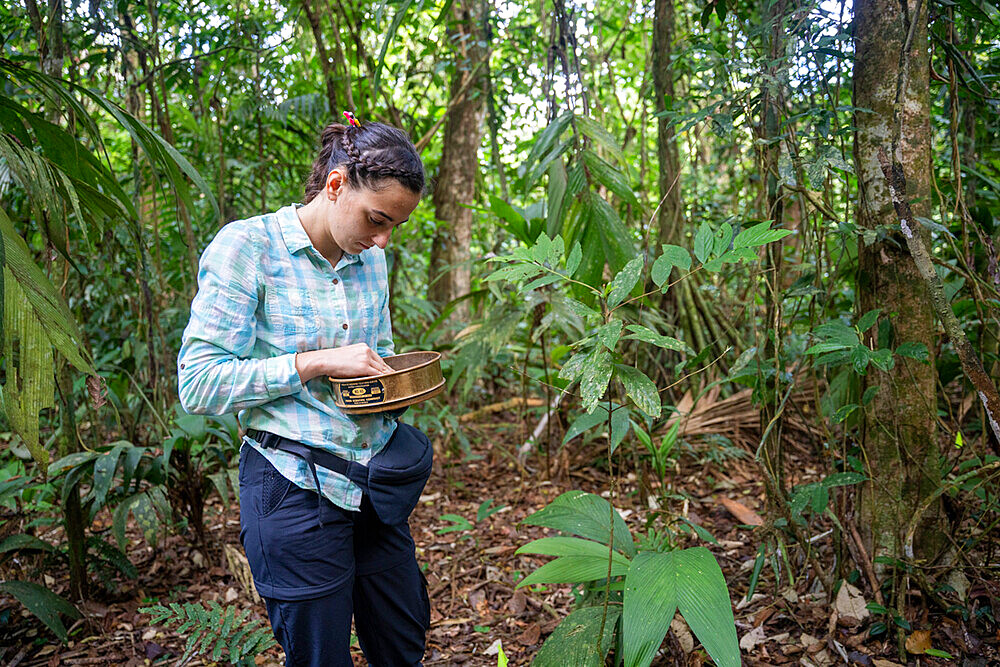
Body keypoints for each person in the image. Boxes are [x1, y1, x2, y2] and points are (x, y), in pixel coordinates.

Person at [177, 113, 429, 666]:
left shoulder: (372, 260)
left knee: (403, 643)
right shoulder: (248, 248)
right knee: (320, 656)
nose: (382, 239)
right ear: (336, 184)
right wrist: (313, 363)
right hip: (292, 485)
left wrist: (396, 383)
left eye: (394, 228)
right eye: (377, 219)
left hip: (372, 482)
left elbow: (372, 362)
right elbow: (197, 384)